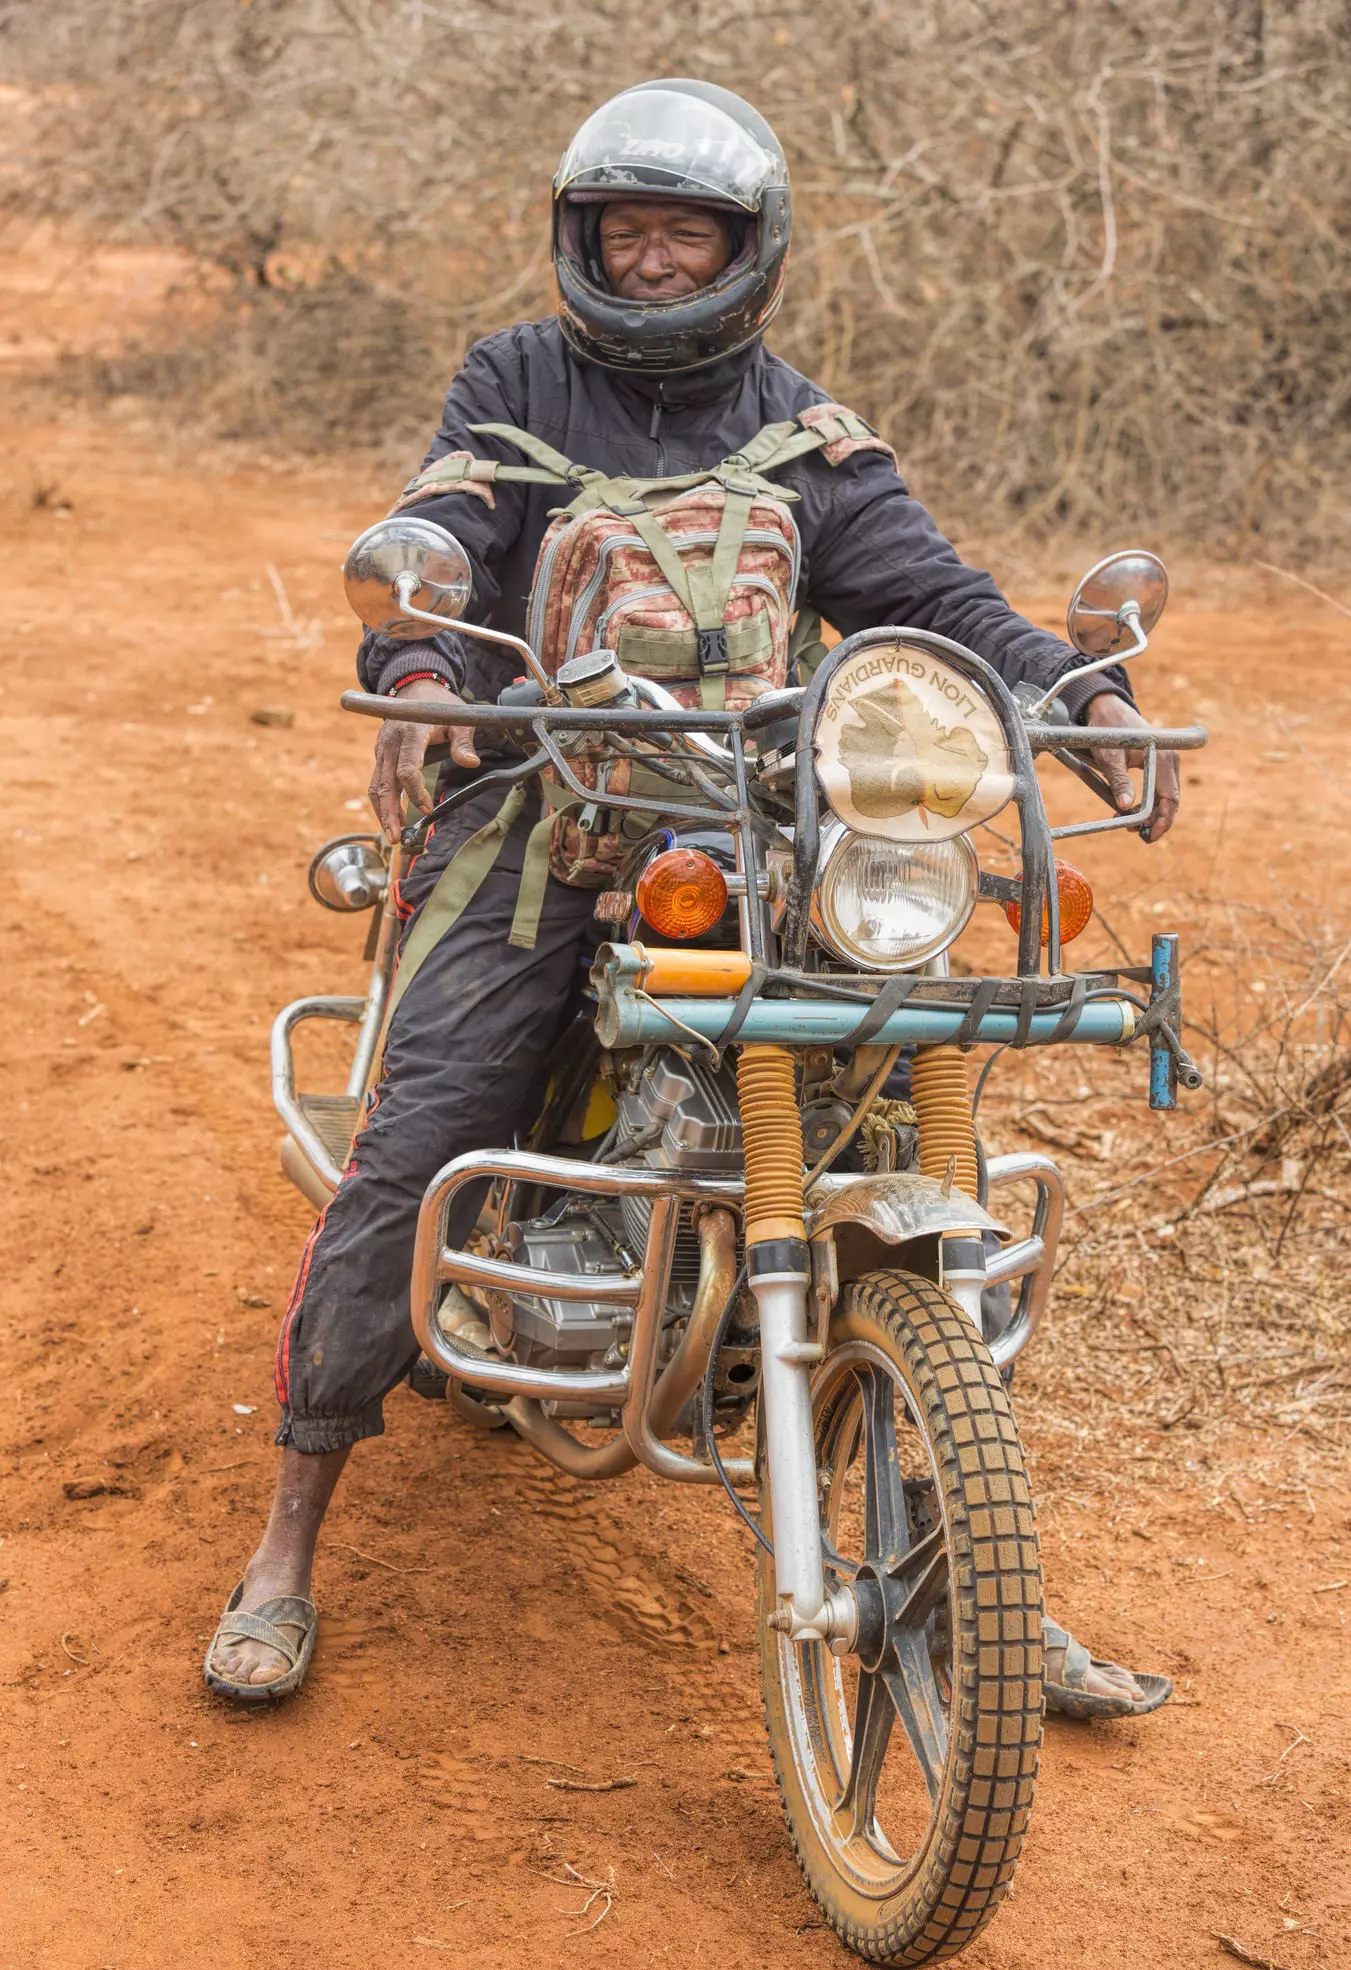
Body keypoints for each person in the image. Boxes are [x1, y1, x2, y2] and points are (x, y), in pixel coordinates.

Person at [204, 80, 1178, 1719]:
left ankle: (977, 1572)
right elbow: (441, 526)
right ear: (583, 240)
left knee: (886, 1080)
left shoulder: (807, 429)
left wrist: (1066, 692)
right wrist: (427, 658)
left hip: (755, 819)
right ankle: (288, 1537)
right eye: (626, 231)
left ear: (749, 253)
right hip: (537, 809)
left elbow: (928, 595)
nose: (653, 262)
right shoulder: (516, 376)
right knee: (420, 1127)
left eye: (686, 234)